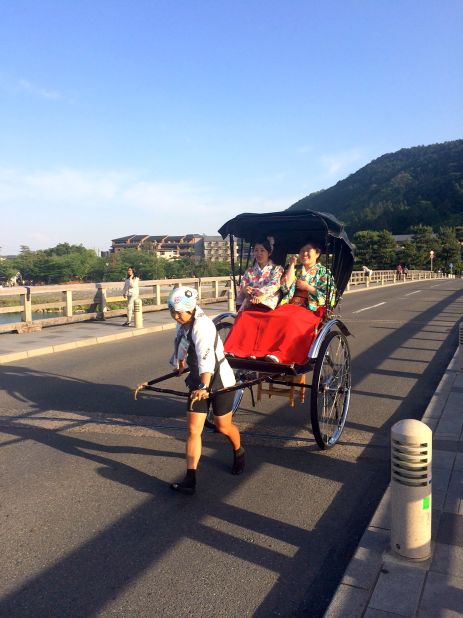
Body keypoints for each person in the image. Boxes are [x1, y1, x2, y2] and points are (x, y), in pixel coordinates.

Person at [168, 286, 245, 495]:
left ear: (191, 309)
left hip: (219, 380)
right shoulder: (183, 323)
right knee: (194, 430)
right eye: (172, 312)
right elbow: (182, 345)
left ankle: (239, 451)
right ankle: (190, 479)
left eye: (179, 312)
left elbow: (205, 358)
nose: (176, 316)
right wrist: (179, 363)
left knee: (223, 426)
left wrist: (204, 386)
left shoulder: (203, 326)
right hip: (197, 381)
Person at [224, 242, 335, 364]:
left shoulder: (324, 273)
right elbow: (285, 287)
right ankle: (261, 351)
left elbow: (329, 296)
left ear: (317, 253)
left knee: (291, 320)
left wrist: (308, 287)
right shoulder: (296, 270)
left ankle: (281, 354)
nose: (305, 254)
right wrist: (292, 265)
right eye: (302, 251)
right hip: (290, 305)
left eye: (309, 251)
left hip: (310, 308)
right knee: (272, 317)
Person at [235, 238, 283, 312]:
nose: (259, 253)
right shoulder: (249, 271)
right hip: (250, 302)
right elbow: (243, 286)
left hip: (267, 302)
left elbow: (275, 285)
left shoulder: (277, 269)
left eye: (262, 250)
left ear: (269, 253)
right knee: (242, 319)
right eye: (256, 250)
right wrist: (246, 290)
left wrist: (261, 296)